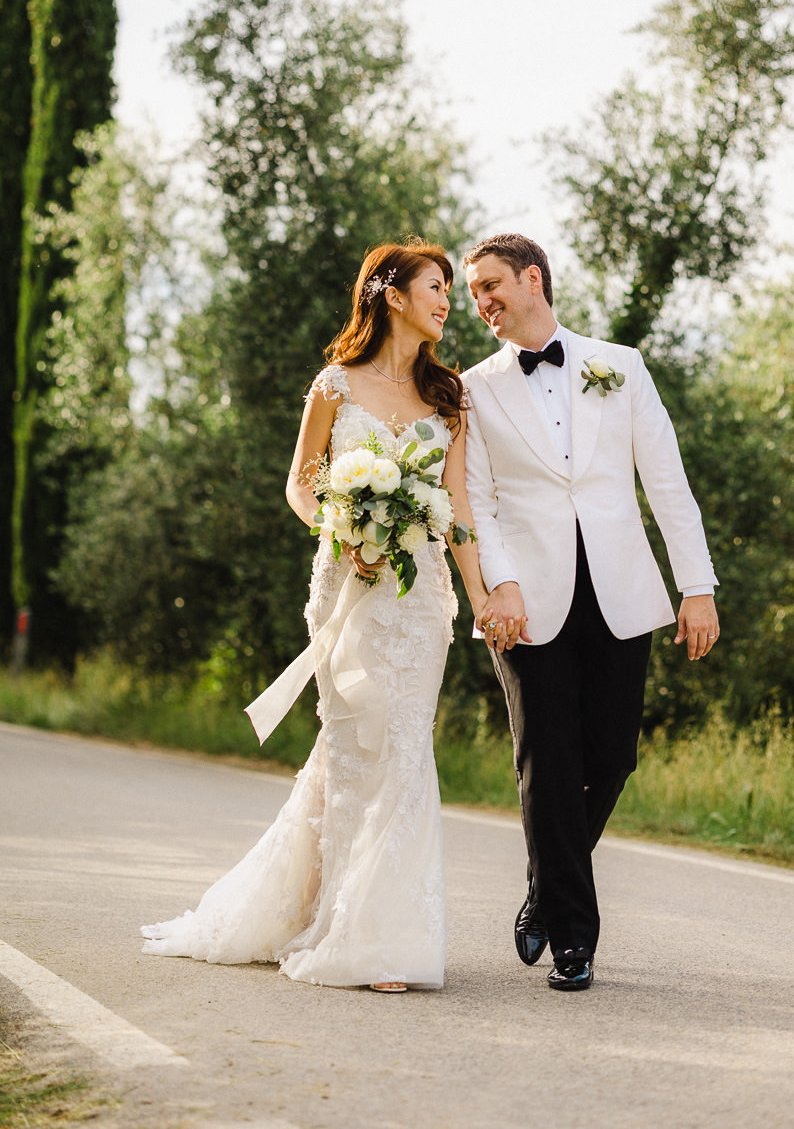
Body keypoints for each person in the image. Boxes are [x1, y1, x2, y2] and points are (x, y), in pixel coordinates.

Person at [142, 240, 488, 992]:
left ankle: (375, 935)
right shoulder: (334, 384)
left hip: (418, 599)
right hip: (345, 584)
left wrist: (485, 597)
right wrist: (342, 526)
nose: (447, 302)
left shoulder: (450, 397)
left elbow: (456, 511)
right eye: (437, 287)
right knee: (348, 746)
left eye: (451, 292)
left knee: (400, 746)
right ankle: (316, 910)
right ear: (392, 294)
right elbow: (301, 486)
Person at [461, 233, 719, 993]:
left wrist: (695, 586)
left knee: (611, 755)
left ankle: (546, 890)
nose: (480, 304)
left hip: (621, 592)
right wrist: (497, 587)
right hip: (522, 601)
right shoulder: (474, 389)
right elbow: (475, 503)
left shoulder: (621, 365)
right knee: (548, 762)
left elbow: (666, 482)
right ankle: (575, 939)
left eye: (490, 287)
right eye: (473, 292)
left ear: (532, 279)